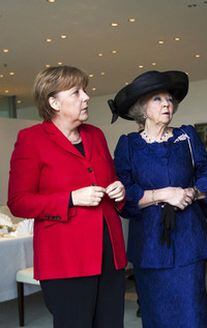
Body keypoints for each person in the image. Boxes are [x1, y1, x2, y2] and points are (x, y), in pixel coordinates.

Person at [8, 66, 127, 328]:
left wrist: (118, 191)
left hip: (110, 253)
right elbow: (18, 202)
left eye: (85, 90)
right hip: (66, 259)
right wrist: (71, 198)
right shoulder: (31, 140)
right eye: (76, 92)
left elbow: (110, 182)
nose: (86, 97)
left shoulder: (95, 134)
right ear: (53, 102)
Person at [109, 70, 207, 328]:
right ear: (142, 108)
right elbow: (123, 194)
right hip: (149, 243)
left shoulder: (186, 137)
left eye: (169, 99)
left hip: (188, 240)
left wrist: (192, 193)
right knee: (156, 314)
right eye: (157, 99)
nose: (167, 104)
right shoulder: (128, 145)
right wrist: (164, 194)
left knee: (192, 311)